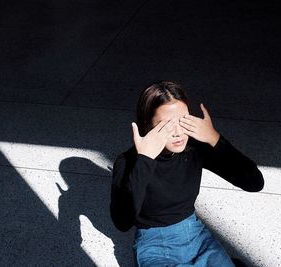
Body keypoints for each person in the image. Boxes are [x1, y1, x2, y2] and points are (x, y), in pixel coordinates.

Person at [110, 81, 264, 266]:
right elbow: (122, 222)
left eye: (183, 120)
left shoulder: (194, 149)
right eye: (166, 124)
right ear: (147, 125)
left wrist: (214, 138)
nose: (178, 133)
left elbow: (254, 182)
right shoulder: (129, 161)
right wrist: (145, 159)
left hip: (195, 234)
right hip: (153, 243)